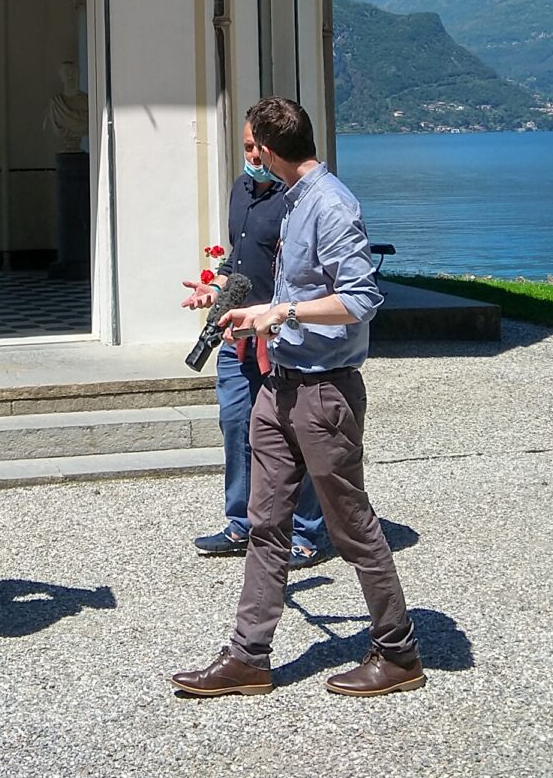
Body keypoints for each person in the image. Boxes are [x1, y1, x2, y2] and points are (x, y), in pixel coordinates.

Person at [171, 97, 424, 700]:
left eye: (251, 146)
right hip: (279, 385)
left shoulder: (331, 204)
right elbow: (291, 289)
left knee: (351, 524)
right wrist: (243, 308)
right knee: (266, 524)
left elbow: (361, 299)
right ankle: (248, 657)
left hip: (323, 391)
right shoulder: (292, 199)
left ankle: (398, 652)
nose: (248, 157)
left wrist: (282, 312)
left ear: (266, 148)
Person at [183, 115, 332, 568]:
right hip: (238, 333)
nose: (252, 155)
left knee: (294, 429)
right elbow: (238, 259)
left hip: (281, 335)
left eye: (257, 147)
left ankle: (305, 531)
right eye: (246, 146)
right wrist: (215, 287)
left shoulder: (295, 197)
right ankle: (243, 522)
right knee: (236, 423)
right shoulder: (240, 190)